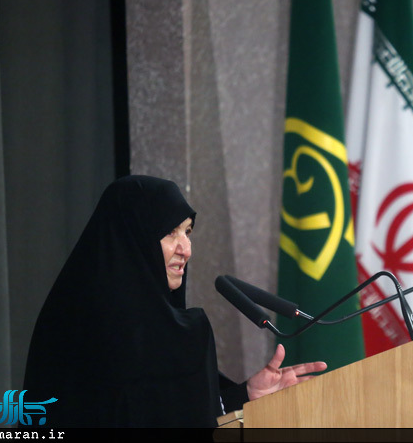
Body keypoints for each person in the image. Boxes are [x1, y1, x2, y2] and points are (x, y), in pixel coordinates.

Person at [23, 175, 326, 427]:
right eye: (170, 232)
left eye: (188, 231)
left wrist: (243, 395)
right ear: (133, 236)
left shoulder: (63, 313)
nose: (186, 249)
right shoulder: (161, 334)